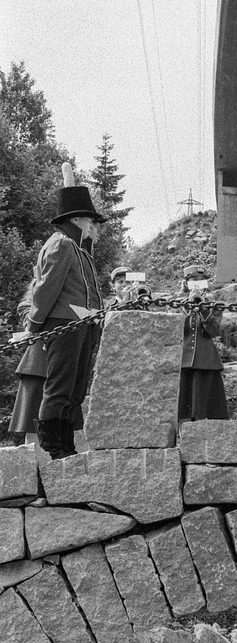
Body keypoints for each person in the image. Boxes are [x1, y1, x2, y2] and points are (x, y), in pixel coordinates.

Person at [25, 163, 106, 458]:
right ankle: (54, 446)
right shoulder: (60, 244)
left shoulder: (79, 248)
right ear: (79, 219)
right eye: (92, 221)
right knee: (60, 387)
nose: (96, 228)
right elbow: (46, 290)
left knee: (75, 389)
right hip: (62, 324)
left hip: (82, 325)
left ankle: (66, 443)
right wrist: (34, 325)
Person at [178, 265, 229, 422]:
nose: (198, 284)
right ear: (186, 284)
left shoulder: (214, 306)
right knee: (183, 407)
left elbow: (213, 331)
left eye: (201, 281)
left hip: (206, 360)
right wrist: (188, 304)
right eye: (194, 280)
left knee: (207, 408)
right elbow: (179, 329)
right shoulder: (177, 304)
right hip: (183, 360)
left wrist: (203, 309)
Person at [8, 281, 46, 443]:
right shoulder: (26, 305)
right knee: (31, 415)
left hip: (60, 360)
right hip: (36, 365)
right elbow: (31, 323)